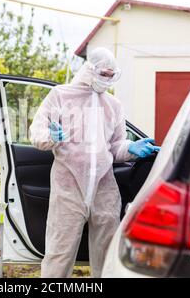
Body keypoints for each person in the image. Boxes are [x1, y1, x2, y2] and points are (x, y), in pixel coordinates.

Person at [29, 47, 160, 278]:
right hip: (69, 186)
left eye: (112, 75)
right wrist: (51, 137)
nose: (107, 80)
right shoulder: (60, 95)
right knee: (59, 252)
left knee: (107, 251)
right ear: (89, 69)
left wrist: (131, 148)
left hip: (104, 187)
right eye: (104, 74)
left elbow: (115, 146)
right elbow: (36, 131)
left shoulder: (113, 105)